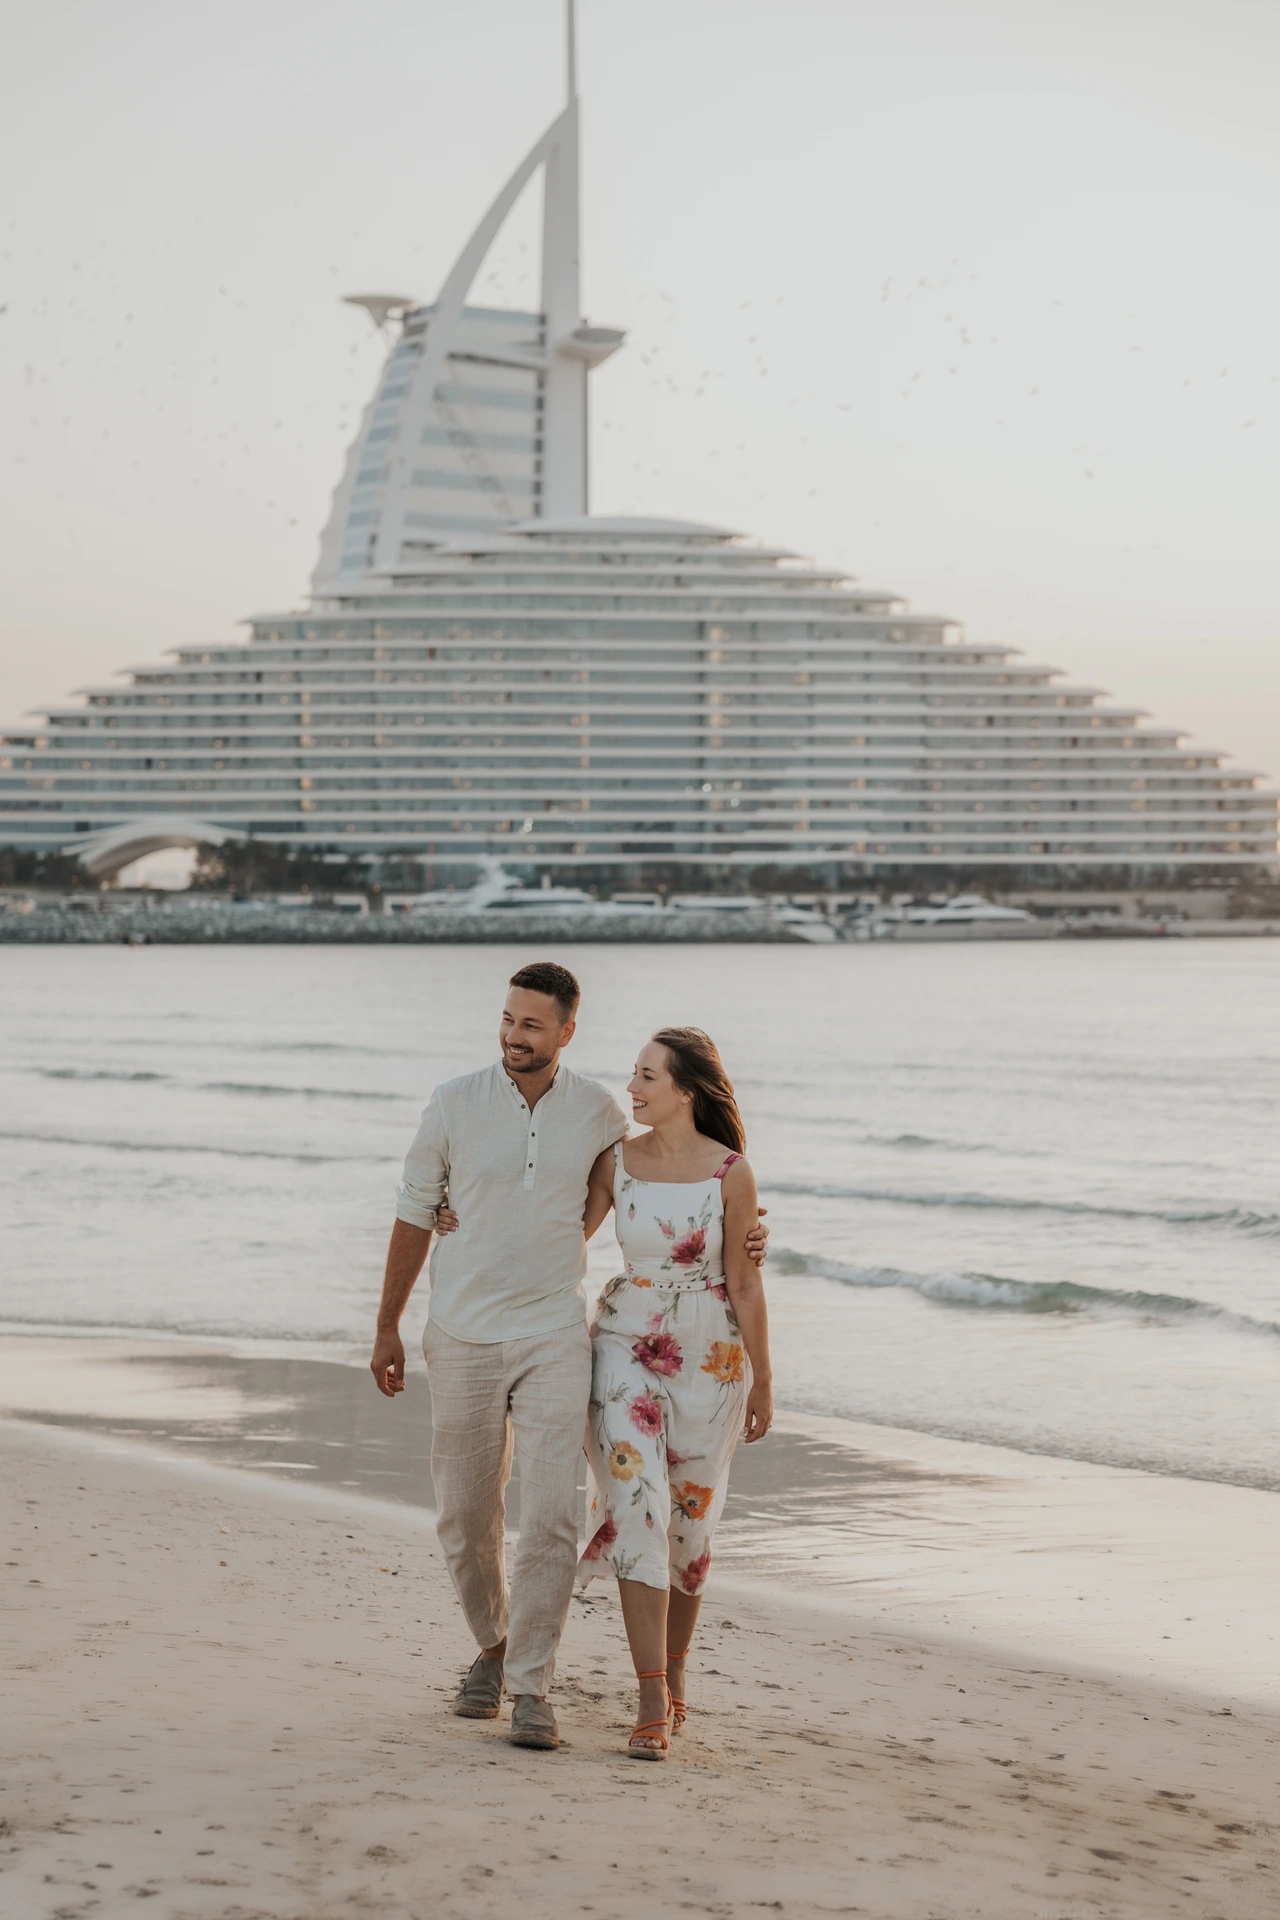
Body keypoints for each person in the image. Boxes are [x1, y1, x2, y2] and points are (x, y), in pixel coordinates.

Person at [368, 963, 768, 1752]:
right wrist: (390, 1321)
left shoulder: (598, 1113)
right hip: (466, 1330)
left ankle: (531, 1688)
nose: (515, 1036)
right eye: (508, 1021)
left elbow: (675, 1187)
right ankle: (494, 1642)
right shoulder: (453, 1104)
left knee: (553, 1515)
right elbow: (422, 1211)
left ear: (565, 1032)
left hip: (558, 1333)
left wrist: (750, 1234)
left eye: (531, 1025)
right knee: (465, 1514)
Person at [575, 1027, 772, 1759]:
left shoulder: (731, 1172)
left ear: (686, 1091)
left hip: (712, 1357)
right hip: (626, 1340)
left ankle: (679, 1667)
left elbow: (746, 1281)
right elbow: (565, 1236)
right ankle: (651, 1689)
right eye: (634, 1074)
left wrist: (765, 1381)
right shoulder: (615, 1161)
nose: (633, 1088)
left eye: (648, 1077)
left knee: (689, 1526)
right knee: (638, 1505)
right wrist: (460, 1220)